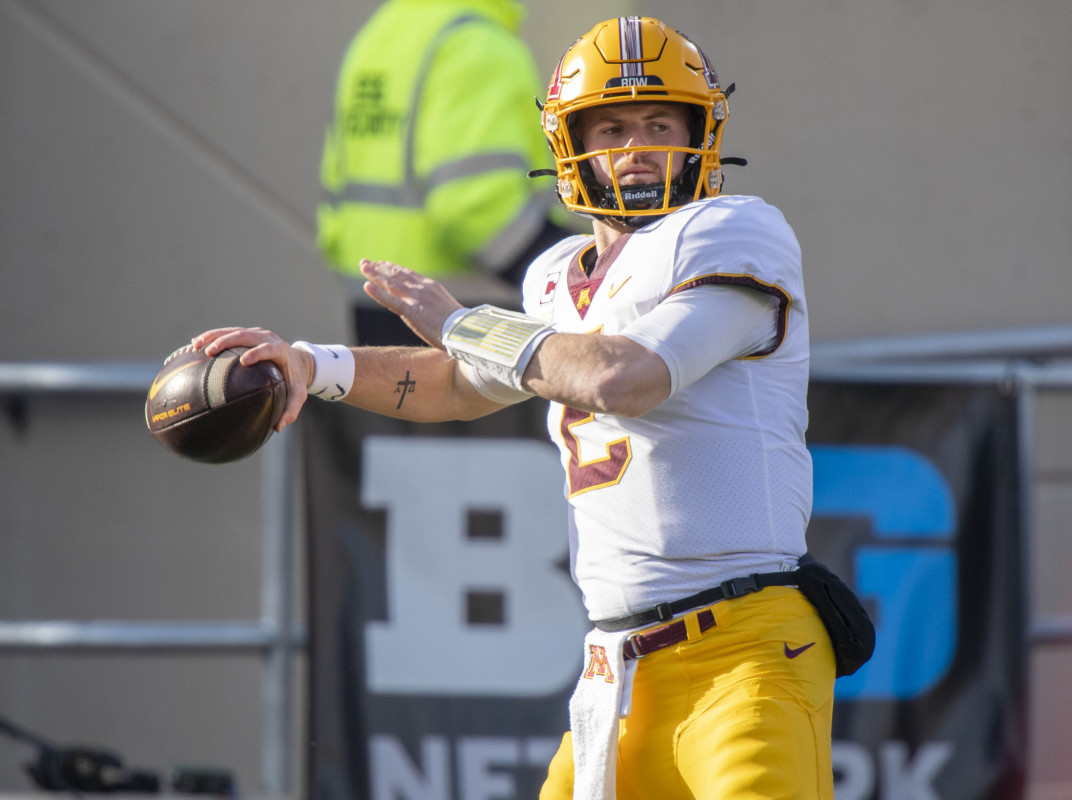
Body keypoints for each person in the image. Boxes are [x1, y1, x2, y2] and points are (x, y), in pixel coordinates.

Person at [198, 17, 871, 798]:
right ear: (566, 143)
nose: (639, 145)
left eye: (661, 123)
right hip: (616, 674)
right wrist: (311, 364)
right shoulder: (554, 276)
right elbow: (458, 383)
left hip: (745, 653)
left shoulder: (730, 229)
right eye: (613, 126)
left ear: (702, 135)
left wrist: (460, 319)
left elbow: (625, 378)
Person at [317, 0, 576, 345]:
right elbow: (474, 208)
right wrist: (570, 275)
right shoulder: (475, 43)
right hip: (467, 317)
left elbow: (339, 182)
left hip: (374, 303)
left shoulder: (381, 32)